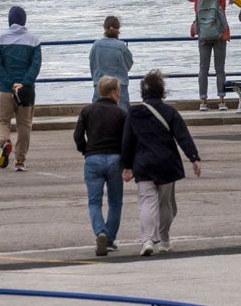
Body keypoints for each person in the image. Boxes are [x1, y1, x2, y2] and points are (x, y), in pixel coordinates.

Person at [121, 69, 201, 256]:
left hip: (143, 163)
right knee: (166, 204)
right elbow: (183, 136)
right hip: (166, 162)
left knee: (147, 202)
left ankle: (147, 240)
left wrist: (126, 165)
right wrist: (194, 157)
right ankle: (164, 240)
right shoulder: (169, 111)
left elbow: (127, 141)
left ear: (143, 92)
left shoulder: (133, 113)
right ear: (162, 91)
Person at [74, 75, 128, 256]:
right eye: (119, 91)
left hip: (93, 158)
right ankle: (110, 238)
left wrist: (85, 150)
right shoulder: (121, 113)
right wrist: (127, 161)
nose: (120, 95)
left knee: (94, 202)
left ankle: (100, 232)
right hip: (114, 158)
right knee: (115, 202)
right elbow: (127, 140)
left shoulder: (87, 111)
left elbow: (78, 135)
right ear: (113, 93)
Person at [0, 5, 42, 172]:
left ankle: (5, 141)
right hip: (26, 91)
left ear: (10, 20)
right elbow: (35, 66)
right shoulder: (33, 40)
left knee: (1, 120)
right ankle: (20, 160)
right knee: (24, 125)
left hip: (6, 89)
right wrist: (24, 83)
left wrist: (10, 83)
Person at [185, 0, 231, 111]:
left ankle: (203, 102)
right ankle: (222, 101)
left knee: (203, 68)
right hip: (219, 33)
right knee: (220, 69)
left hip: (203, 33)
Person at [89, 15, 134, 110]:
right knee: (122, 117)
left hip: (100, 85)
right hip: (119, 87)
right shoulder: (121, 46)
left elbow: (92, 64)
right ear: (118, 29)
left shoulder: (96, 45)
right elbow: (129, 65)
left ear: (104, 28)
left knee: (98, 115)